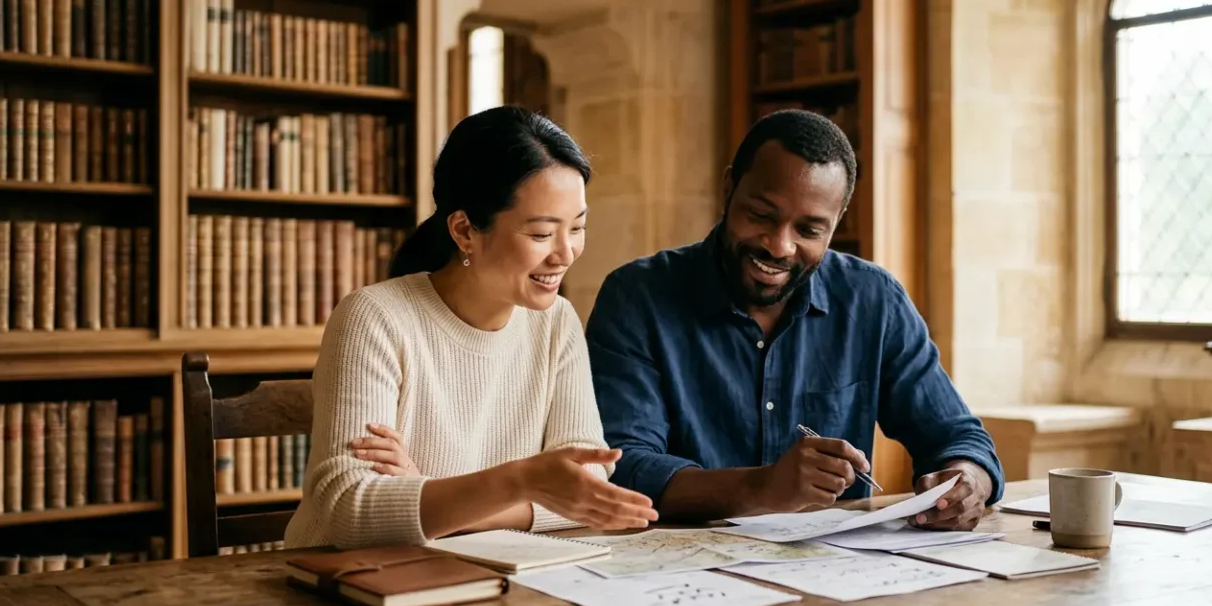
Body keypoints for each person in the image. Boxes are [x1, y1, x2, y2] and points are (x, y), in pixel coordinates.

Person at [585, 109, 1003, 531]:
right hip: (673, 575)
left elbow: (958, 435)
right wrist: (763, 488)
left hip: (835, 574)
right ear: (729, 188)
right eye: (762, 216)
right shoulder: (637, 298)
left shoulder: (873, 300)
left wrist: (968, 480)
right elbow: (622, 466)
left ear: (836, 224)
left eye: (809, 229)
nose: (780, 246)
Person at [284, 106, 658, 550]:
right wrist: (522, 481)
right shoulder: (375, 317)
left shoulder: (556, 321)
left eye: (577, 227)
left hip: (477, 575)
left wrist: (430, 491)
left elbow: (587, 483)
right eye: (541, 234)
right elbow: (349, 510)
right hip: (346, 584)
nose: (566, 253)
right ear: (464, 230)